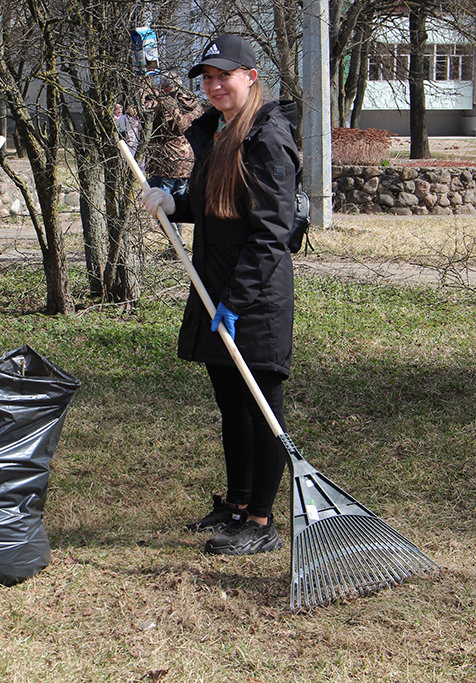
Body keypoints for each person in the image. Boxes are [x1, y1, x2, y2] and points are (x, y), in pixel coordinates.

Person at [142, 34, 300, 556]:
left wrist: (237, 300)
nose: (213, 86)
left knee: (261, 410)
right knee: (232, 406)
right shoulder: (220, 133)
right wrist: (173, 200)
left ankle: (260, 521)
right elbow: (215, 206)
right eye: (206, 77)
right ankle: (235, 505)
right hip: (217, 288)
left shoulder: (266, 138)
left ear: (250, 77)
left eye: (222, 76)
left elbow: (271, 230)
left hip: (252, 298)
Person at [143, 74, 202, 197]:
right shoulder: (194, 103)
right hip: (187, 160)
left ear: (164, 86)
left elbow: (152, 123)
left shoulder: (166, 102)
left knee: (160, 203)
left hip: (165, 161)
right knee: (179, 202)